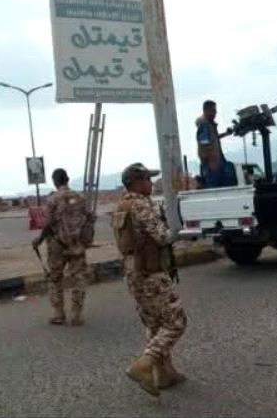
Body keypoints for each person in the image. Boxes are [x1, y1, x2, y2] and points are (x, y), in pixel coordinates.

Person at [112, 163, 187, 397]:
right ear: (136, 182)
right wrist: (179, 231)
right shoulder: (141, 205)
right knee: (176, 321)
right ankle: (144, 364)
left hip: (134, 272)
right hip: (150, 273)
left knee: (154, 323)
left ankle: (164, 374)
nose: (151, 183)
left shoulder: (122, 205)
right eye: (147, 178)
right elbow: (162, 236)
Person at [32, 168, 95, 325]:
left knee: (55, 279)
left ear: (55, 182)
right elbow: (90, 218)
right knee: (79, 278)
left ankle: (59, 314)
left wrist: (39, 239)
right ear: (67, 179)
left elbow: (47, 224)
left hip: (57, 245)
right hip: (77, 244)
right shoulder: (81, 197)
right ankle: (76, 315)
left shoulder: (52, 200)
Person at [196, 100, 236, 188]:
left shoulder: (209, 125)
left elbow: (213, 139)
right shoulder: (204, 126)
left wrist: (226, 133)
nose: (215, 113)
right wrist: (211, 162)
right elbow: (204, 145)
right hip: (212, 167)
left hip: (216, 164)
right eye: (213, 110)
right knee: (215, 191)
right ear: (206, 111)